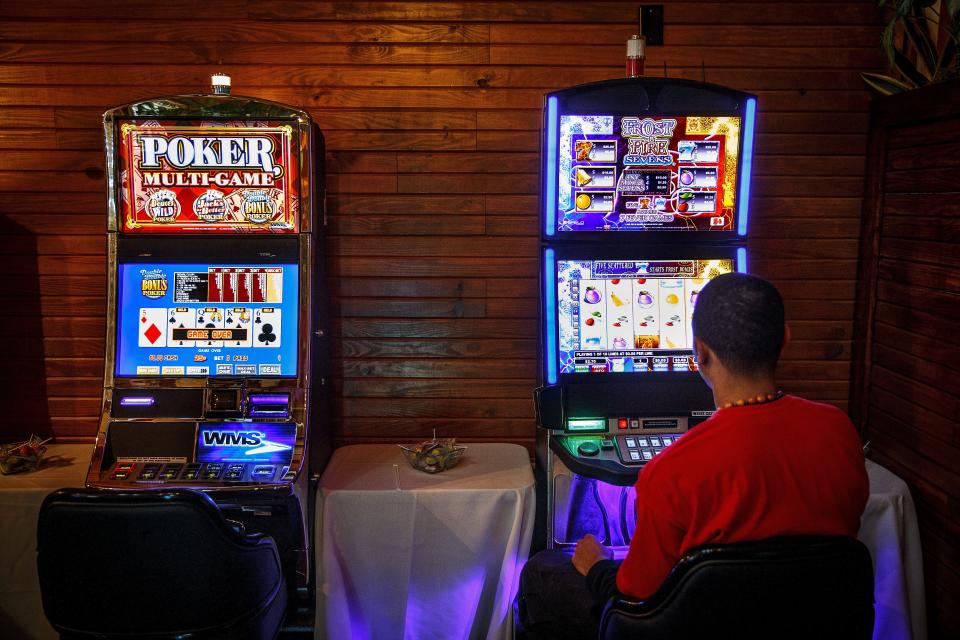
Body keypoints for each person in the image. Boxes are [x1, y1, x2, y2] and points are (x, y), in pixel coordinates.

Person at [516, 272, 869, 639]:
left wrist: (599, 568)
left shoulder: (671, 469)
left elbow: (635, 595)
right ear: (785, 339)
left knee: (542, 572)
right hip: (815, 623)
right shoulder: (839, 430)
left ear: (699, 352)